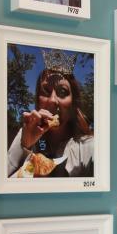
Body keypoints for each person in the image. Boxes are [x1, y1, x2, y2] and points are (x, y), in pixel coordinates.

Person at [7, 49, 94, 178]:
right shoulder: (24, 136)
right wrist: (25, 146)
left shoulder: (88, 146)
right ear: (37, 102)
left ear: (73, 105)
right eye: (46, 92)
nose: (53, 100)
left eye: (63, 92)